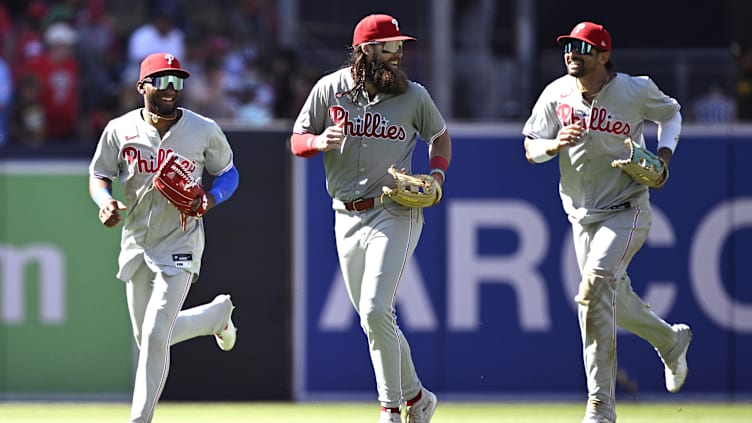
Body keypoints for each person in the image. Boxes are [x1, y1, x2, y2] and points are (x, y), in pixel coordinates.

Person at [521, 22, 692, 423]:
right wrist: (554, 143)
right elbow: (531, 146)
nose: (572, 53)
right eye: (568, 46)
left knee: (595, 288)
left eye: (583, 47)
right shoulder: (557, 92)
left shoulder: (634, 89)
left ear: (602, 56)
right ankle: (671, 339)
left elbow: (671, 114)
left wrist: (664, 157)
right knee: (607, 299)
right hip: (582, 216)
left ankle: (600, 406)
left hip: (627, 207)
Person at [290, 14, 451, 423]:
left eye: (400, 46)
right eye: (390, 46)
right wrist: (317, 141)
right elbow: (297, 138)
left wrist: (436, 174)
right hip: (345, 215)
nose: (398, 54)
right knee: (370, 317)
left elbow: (439, 136)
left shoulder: (413, 96)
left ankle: (391, 410)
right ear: (365, 51)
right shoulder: (330, 89)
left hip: (395, 209)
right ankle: (417, 399)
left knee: (378, 309)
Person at [88, 52, 239, 423]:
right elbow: (99, 175)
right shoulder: (120, 129)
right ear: (143, 86)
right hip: (136, 241)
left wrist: (211, 197)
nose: (172, 89)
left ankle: (139, 420)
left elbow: (229, 174)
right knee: (148, 337)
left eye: (178, 81)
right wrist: (104, 202)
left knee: (157, 333)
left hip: (181, 240)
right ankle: (214, 318)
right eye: (164, 81)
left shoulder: (203, 129)